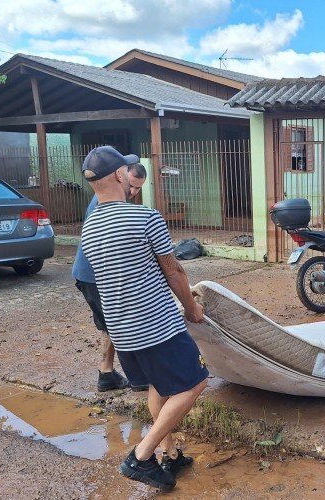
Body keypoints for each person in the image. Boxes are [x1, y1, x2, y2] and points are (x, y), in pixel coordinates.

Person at [80, 146, 208, 491]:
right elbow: (173, 268)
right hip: (157, 326)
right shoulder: (144, 217)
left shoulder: (89, 228)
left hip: (122, 332)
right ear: (120, 176)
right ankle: (142, 455)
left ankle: (169, 456)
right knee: (197, 382)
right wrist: (192, 308)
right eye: (126, 170)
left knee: (159, 386)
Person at [73, 163, 148, 392]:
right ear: (121, 178)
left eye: (139, 189)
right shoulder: (105, 203)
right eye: (132, 186)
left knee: (111, 324)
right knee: (121, 322)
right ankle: (139, 378)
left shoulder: (112, 200)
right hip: (95, 274)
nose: (134, 193)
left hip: (92, 274)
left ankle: (107, 374)